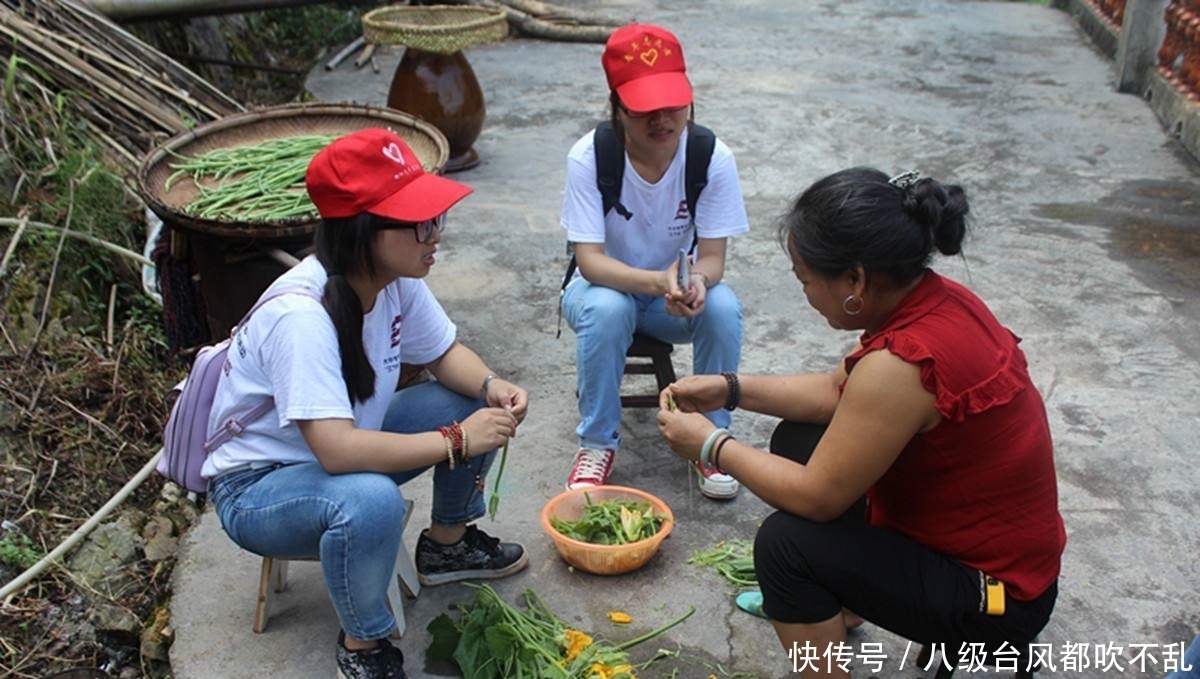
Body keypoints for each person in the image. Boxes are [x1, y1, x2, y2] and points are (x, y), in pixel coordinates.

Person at [656, 167, 1066, 677]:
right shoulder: (936, 299)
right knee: (800, 437)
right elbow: (836, 391)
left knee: (785, 548)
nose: (805, 293)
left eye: (806, 279)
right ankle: (844, 607)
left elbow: (817, 497)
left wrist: (711, 444)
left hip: (1000, 599)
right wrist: (729, 388)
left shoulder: (900, 365)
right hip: (1007, 563)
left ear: (855, 280)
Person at [201, 128, 530, 679]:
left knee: (464, 397)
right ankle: (363, 646)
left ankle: (447, 545)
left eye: (437, 219)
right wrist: (458, 439)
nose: (435, 236)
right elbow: (336, 452)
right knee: (371, 499)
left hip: (342, 445)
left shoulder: (393, 278)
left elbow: (445, 352)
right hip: (260, 489)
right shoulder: (301, 318)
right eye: (420, 223)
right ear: (363, 231)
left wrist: (491, 385)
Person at [559, 22, 750, 499]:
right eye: (645, 109)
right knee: (609, 308)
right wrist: (655, 282)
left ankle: (710, 436)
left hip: (671, 295)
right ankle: (597, 442)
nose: (662, 119)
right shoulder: (590, 157)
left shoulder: (710, 156)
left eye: (673, 104)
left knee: (723, 307)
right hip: (603, 288)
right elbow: (590, 262)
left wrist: (697, 283)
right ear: (618, 107)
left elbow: (712, 258)